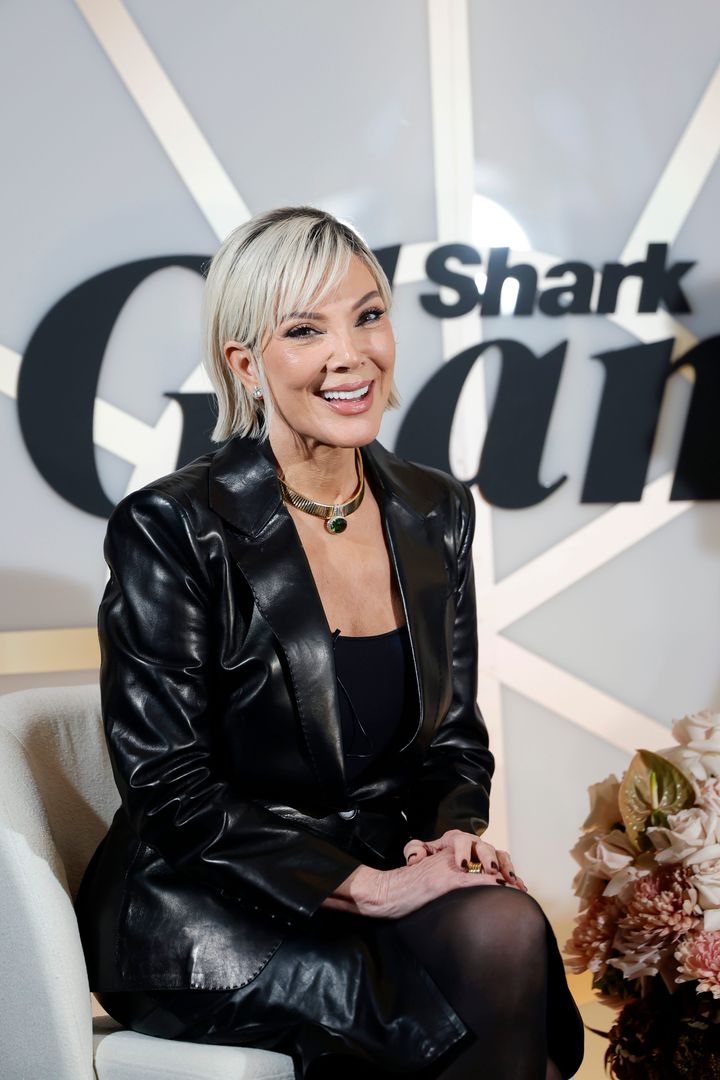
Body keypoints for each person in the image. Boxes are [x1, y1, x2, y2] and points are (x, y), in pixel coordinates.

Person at [74, 206, 584, 1079]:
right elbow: (170, 789)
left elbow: (453, 740)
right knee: (481, 982)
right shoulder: (173, 525)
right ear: (246, 363)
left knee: (504, 928)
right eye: (305, 330)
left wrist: (450, 839)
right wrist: (372, 889)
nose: (351, 354)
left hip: (374, 879)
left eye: (368, 316)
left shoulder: (433, 509)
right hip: (210, 915)